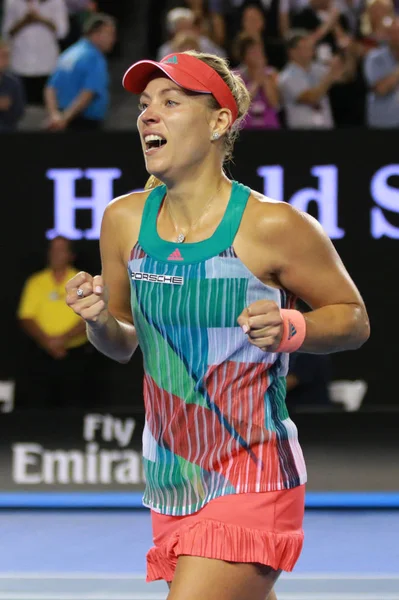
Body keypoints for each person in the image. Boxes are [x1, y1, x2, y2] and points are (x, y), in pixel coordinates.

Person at [65, 50, 370, 599]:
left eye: (171, 102)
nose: (147, 115)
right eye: (144, 104)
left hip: (253, 470)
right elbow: (122, 342)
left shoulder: (272, 224)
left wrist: (290, 327)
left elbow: (353, 319)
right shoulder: (122, 220)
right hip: (173, 477)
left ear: (219, 123)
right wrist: (97, 322)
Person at [17, 236, 90, 409]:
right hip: (42, 352)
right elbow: (26, 317)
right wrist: (48, 342)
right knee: (39, 403)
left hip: (75, 353)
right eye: (53, 250)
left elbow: (89, 316)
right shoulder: (36, 281)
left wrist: (62, 339)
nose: (56, 255)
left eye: (61, 250)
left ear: (70, 255)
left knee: (74, 404)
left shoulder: (82, 281)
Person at [44, 12, 116, 131]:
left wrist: (55, 115)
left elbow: (50, 88)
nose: (113, 39)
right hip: (85, 124)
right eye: (110, 34)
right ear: (95, 33)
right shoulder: (95, 57)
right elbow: (88, 92)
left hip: (63, 120)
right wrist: (65, 119)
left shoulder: (68, 54)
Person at [2, 0, 68, 105]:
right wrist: (24, 21)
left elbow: (62, 32)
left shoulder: (57, 2)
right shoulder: (12, 2)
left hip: (47, 66)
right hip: (19, 66)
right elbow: (6, 34)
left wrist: (40, 19)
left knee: (43, 109)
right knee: (21, 108)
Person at [279, 31, 342, 128]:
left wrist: (343, 56)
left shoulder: (319, 69)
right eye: (304, 47)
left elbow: (344, 77)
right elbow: (311, 98)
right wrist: (330, 76)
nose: (310, 50)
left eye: (310, 47)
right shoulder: (287, 76)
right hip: (302, 134)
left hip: (326, 130)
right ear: (292, 52)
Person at [236, 33, 281, 129]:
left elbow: (274, 103)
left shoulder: (271, 74)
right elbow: (242, 104)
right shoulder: (235, 77)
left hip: (269, 127)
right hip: (246, 129)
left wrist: (263, 75)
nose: (258, 55)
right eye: (253, 51)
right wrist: (256, 83)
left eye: (259, 51)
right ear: (244, 56)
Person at [364, 16, 399, 127]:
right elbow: (380, 89)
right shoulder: (374, 58)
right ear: (388, 35)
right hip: (384, 126)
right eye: (395, 33)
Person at [0, 39, 25, 131]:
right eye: (3, 56)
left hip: (7, 131)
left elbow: (19, 112)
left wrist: (7, 107)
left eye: (7, 56)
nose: (6, 60)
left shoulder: (13, 81)